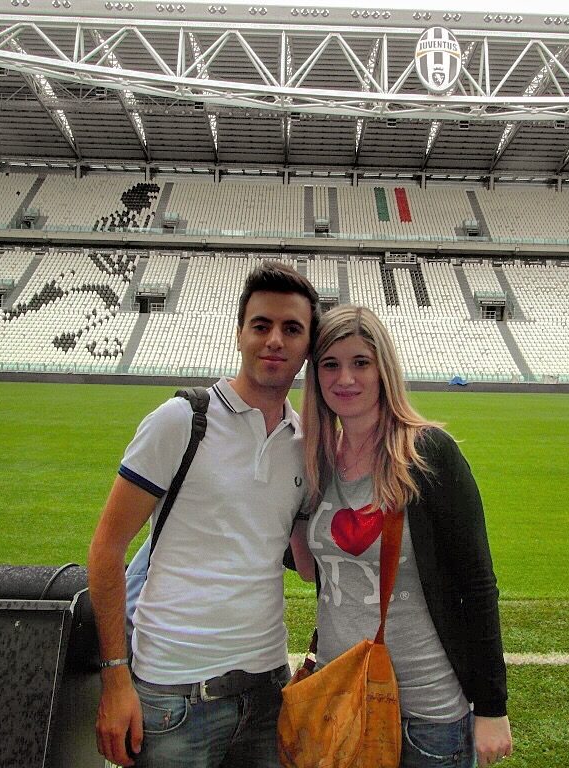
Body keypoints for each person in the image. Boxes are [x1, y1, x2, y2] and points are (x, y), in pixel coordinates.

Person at [88, 261, 320, 768]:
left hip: (266, 691)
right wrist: (114, 677)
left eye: (291, 328)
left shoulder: (305, 444)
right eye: (261, 325)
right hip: (171, 696)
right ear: (240, 334)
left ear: (308, 346)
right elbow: (106, 549)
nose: (275, 340)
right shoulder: (180, 420)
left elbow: (307, 563)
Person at [289, 305, 513, 767]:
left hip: (426, 717)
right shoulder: (317, 461)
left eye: (360, 363)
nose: (345, 378)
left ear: (383, 369)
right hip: (340, 698)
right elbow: (312, 569)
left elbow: (477, 583)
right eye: (330, 364)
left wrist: (492, 707)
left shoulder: (428, 454)